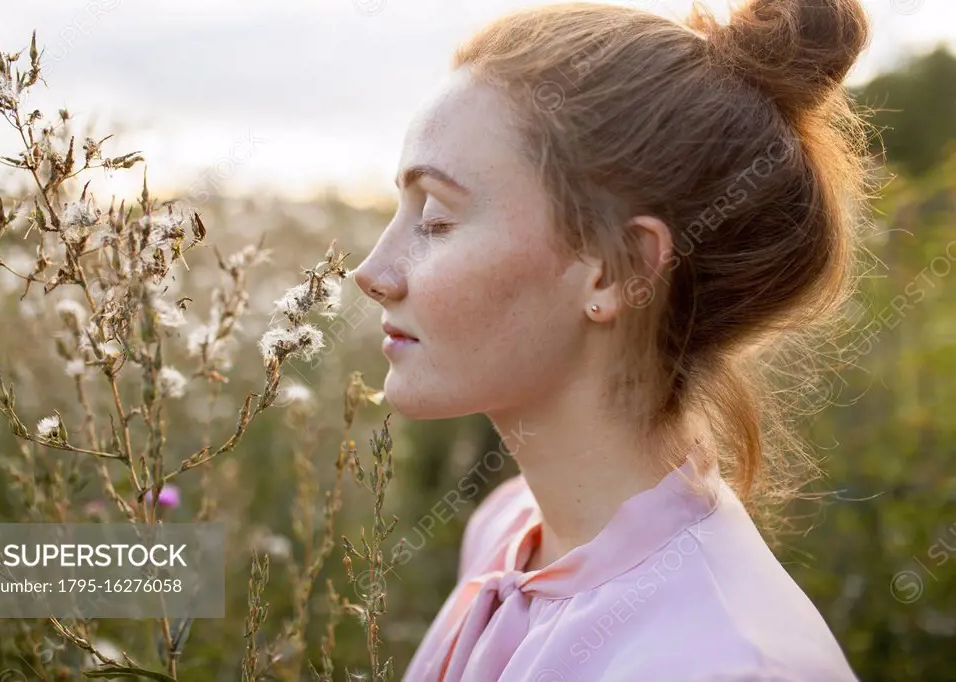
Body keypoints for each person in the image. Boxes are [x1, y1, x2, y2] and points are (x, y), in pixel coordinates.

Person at [352, 0, 873, 679]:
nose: (372, 273)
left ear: (617, 268)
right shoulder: (511, 530)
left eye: (439, 221)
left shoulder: (724, 665)